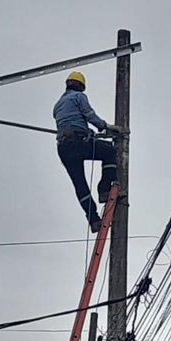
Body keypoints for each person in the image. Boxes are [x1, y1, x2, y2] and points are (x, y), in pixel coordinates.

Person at [53, 71, 123, 232]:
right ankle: (105, 190)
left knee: (80, 184)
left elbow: (71, 121)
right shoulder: (78, 97)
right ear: (81, 86)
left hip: (63, 147)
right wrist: (106, 126)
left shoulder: (57, 105)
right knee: (109, 152)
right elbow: (89, 115)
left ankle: (93, 220)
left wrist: (89, 132)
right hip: (78, 142)